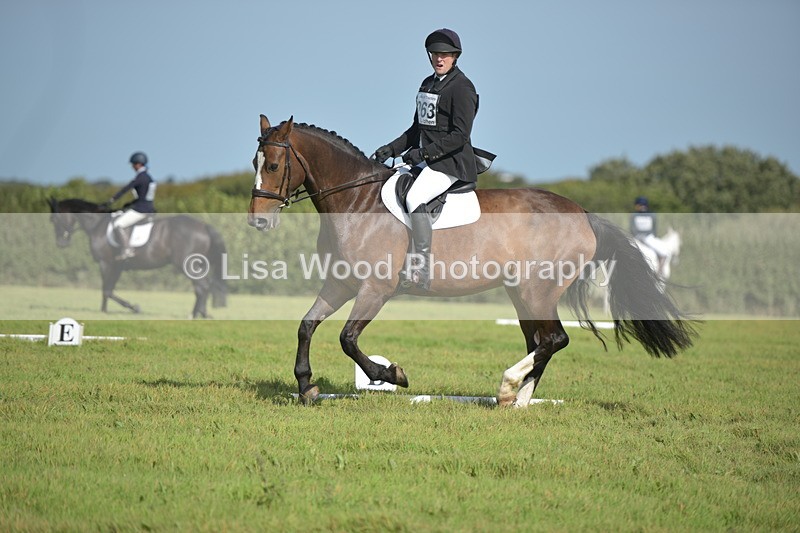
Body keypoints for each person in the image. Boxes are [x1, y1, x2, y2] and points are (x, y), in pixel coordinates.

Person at [373, 28, 479, 291]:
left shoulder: (462, 88)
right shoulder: (427, 84)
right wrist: (392, 148)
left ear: (455, 57)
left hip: (450, 163)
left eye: (445, 55)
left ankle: (421, 267)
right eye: (435, 54)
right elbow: (416, 130)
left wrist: (423, 154)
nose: (439, 59)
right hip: (426, 161)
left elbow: (460, 135)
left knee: (414, 197)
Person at [106, 152, 157, 260]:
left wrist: (112, 199)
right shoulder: (148, 177)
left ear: (138, 164)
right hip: (149, 207)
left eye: (133, 164)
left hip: (141, 210)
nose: (132, 167)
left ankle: (127, 249)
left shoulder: (140, 177)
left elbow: (126, 189)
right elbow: (143, 196)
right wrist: (129, 204)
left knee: (118, 224)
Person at [630, 196, 669, 272]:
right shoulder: (636, 215)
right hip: (642, 237)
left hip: (645, 237)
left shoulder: (637, 215)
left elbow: (633, 229)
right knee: (664, 253)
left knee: (664, 252)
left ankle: (659, 271)